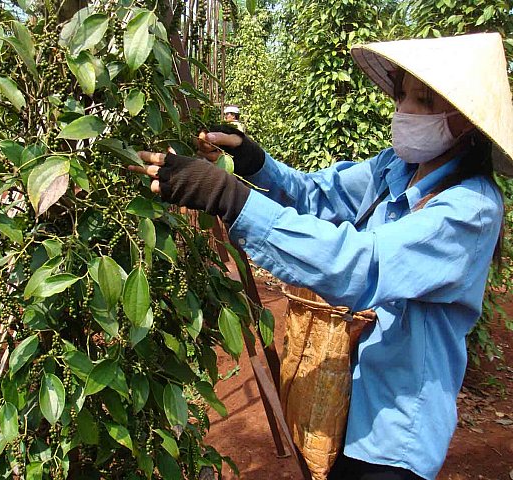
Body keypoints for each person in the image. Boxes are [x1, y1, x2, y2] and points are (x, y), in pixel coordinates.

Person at [129, 33, 513, 480]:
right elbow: (318, 195)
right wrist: (254, 162)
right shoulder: (395, 168)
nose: (404, 110)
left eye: (422, 101)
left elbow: (359, 264)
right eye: (403, 94)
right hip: (341, 406)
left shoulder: (470, 209)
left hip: (394, 431)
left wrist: (229, 198)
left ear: (464, 121)